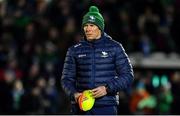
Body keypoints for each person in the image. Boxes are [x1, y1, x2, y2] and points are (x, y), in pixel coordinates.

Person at [61, 5, 134, 115]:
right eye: (85, 25)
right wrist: (74, 94)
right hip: (81, 107)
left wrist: (107, 88)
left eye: (91, 25)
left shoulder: (115, 47)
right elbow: (66, 79)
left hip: (106, 106)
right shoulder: (74, 50)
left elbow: (128, 75)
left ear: (100, 28)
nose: (87, 29)